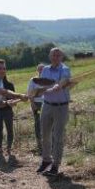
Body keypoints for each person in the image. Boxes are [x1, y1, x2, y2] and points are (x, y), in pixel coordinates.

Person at [37, 48, 71, 176]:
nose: (56, 57)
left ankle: (56, 165)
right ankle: (46, 160)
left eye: (58, 55)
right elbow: (42, 84)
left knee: (58, 137)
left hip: (61, 107)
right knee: (44, 135)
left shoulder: (65, 69)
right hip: (46, 105)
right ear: (50, 57)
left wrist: (58, 86)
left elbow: (64, 81)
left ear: (61, 57)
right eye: (53, 55)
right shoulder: (45, 69)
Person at [0, 68, 16, 155]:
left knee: (9, 129)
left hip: (8, 110)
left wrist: (10, 101)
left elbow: (14, 98)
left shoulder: (10, 85)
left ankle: (9, 147)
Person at [26, 63, 46, 153]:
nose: (42, 71)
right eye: (40, 69)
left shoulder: (49, 80)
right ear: (37, 71)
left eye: (43, 69)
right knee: (38, 123)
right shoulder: (33, 80)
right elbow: (29, 94)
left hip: (48, 103)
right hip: (37, 104)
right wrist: (32, 104)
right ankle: (39, 144)